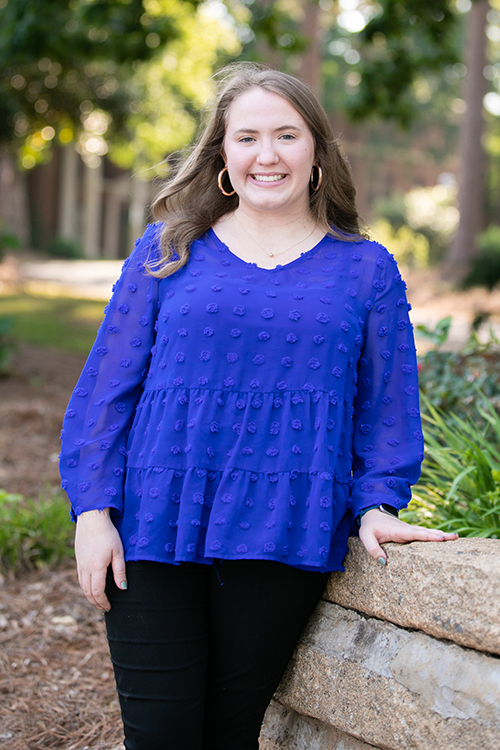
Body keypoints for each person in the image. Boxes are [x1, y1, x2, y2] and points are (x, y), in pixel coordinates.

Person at [59, 63, 458, 750]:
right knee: (161, 736)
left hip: (285, 524)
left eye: (286, 135)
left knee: (229, 733)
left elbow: (387, 408)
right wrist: (92, 513)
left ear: (317, 151)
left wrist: (377, 504)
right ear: (222, 153)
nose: (265, 155)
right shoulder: (166, 251)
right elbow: (105, 390)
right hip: (153, 518)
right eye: (246, 137)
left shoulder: (367, 269)